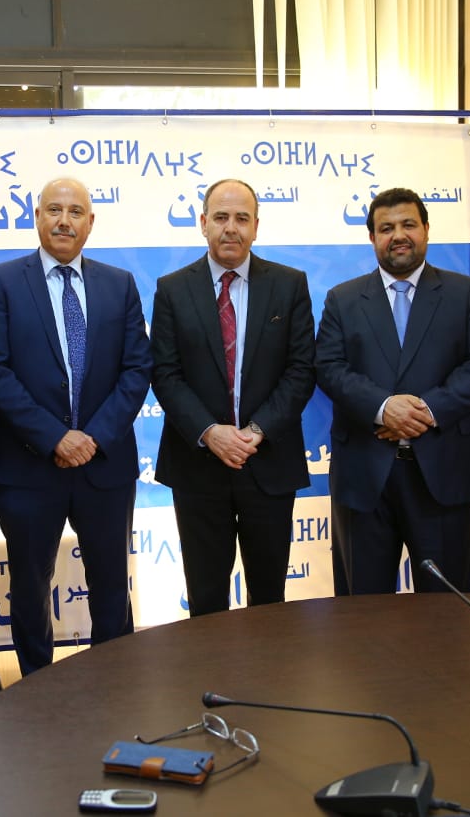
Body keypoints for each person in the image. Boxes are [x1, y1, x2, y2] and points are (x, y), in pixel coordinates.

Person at [0, 176, 151, 675]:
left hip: (104, 464)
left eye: (75, 212)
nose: (64, 221)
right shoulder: (2, 281)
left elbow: (138, 367)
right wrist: (54, 437)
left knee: (111, 585)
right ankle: (37, 688)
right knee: (30, 587)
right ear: (37, 217)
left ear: (90, 222)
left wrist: (92, 438)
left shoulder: (119, 284)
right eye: (54, 210)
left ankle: (113, 682)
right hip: (28, 467)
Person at [315, 187, 470, 594]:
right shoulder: (343, 300)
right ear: (372, 238)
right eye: (386, 228)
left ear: (426, 230)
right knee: (364, 608)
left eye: (408, 225)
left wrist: (427, 411)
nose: (398, 235)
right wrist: (383, 408)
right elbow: (329, 367)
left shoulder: (464, 293)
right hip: (365, 476)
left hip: (444, 470)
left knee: (448, 609)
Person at [150, 178, 316, 616]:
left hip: (269, 463)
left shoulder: (289, 285)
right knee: (206, 602)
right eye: (221, 217)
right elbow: (165, 373)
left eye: (242, 218)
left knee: (269, 601)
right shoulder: (172, 289)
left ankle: (267, 666)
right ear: (203, 223)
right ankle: (210, 665)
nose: (231, 228)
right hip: (197, 467)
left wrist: (256, 431)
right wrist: (211, 432)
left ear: (256, 227)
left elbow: (301, 370)